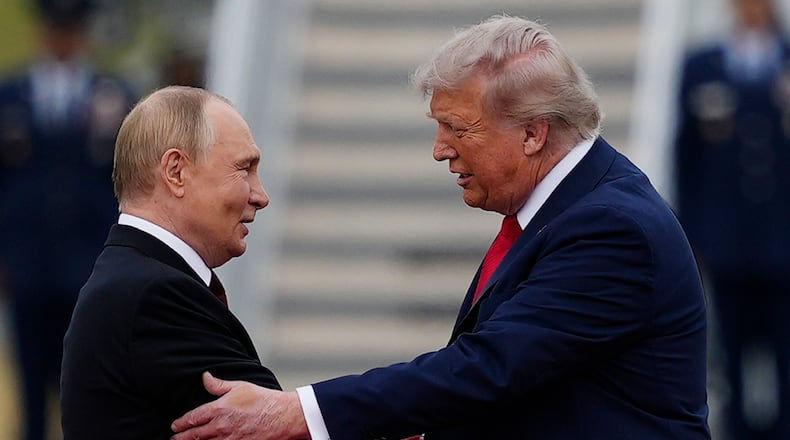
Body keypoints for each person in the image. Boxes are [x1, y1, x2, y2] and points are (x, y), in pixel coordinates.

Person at [171, 15, 711, 439]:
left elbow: (489, 367)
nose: (440, 150)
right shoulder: (567, 209)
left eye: (458, 129)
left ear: (533, 134)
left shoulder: (611, 229)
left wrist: (297, 413)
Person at [59, 85, 281, 439]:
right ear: (176, 172)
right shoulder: (155, 296)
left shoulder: (135, 280)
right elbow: (277, 427)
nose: (261, 196)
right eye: (244, 169)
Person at [0, 1, 135, 439]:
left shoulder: (114, 97)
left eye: (71, 28)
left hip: (90, 265)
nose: (63, 38)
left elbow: (129, 183)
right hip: (26, 264)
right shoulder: (10, 96)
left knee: (86, 388)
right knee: (29, 385)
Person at [674, 0, 790, 438]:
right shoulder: (703, 65)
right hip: (728, 244)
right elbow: (686, 159)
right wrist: (693, 237)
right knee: (732, 356)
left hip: (784, 240)